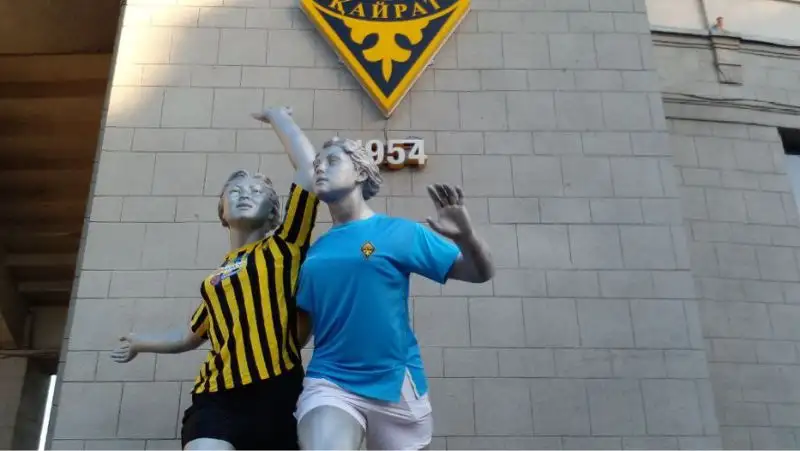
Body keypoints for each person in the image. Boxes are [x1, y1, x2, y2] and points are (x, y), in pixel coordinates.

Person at [110, 107, 318, 450]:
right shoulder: (215, 281)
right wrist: (139, 342)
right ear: (222, 211)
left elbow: (309, 171)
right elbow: (189, 336)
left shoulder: (286, 246)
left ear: (274, 213)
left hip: (277, 391)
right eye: (234, 191)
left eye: (256, 191)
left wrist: (279, 118)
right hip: (217, 395)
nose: (244, 194)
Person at [294, 136, 495, 450]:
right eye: (317, 163)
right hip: (330, 382)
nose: (320, 167)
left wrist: (467, 237)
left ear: (361, 172)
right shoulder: (315, 253)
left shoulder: (399, 232)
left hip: (397, 386)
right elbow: (301, 331)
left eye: (332, 161)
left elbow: (479, 273)